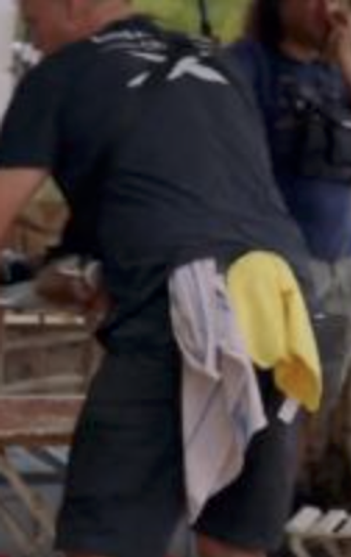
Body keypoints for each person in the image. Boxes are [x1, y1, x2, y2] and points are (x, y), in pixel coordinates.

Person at [0, 1, 324, 556]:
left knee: (103, 541)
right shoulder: (217, 63)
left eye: (33, 22)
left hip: (184, 301)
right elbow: (199, 198)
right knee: (232, 539)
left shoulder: (60, 73)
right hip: (280, 301)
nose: (34, 41)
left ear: (72, 4)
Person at [226, 0, 351, 496]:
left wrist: (345, 57)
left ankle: (278, 502)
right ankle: (246, 504)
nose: (325, 8)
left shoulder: (339, 74)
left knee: (310, 396)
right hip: (279, 268)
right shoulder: (249, 64)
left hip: (343, 264)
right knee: (266, 397)